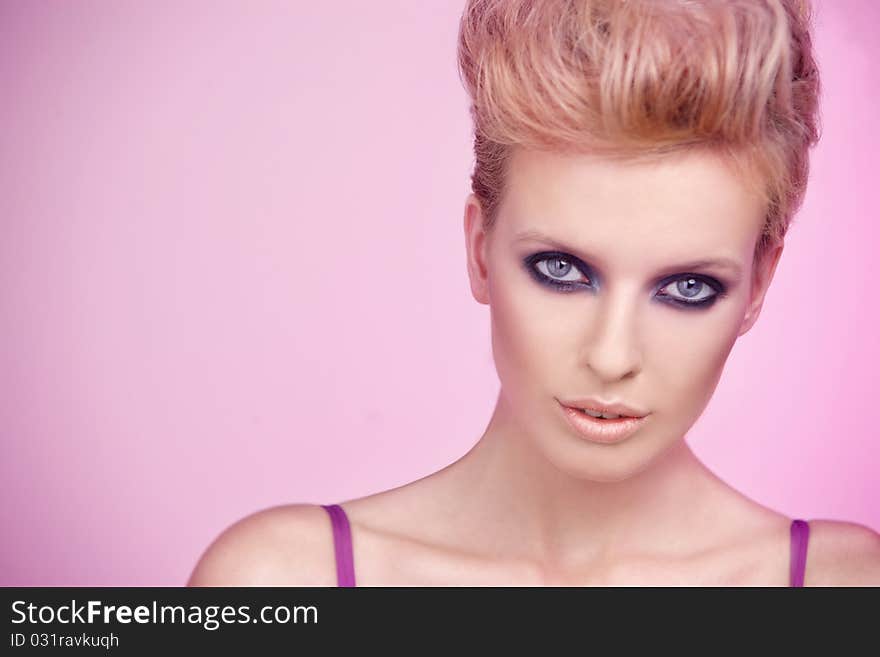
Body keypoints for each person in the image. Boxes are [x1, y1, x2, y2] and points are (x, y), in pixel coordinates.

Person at [188, 0, 880, 587]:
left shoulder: (846, 588)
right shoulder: (285, 580)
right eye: (561, 270)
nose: (612, 357)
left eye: (688, 287)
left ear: (759, 285)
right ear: (479, 248)